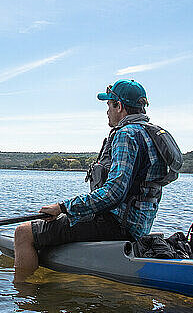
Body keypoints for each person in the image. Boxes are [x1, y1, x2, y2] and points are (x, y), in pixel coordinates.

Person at [14, 79, 170, 282]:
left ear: (119, 106)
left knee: (23, 233)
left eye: (109, 104)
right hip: (139, 225)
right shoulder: (151, 134)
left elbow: (114, 192)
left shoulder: (126, 135)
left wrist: (63, 207)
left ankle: (25, 300)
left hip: (117, 225)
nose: (107, 111)